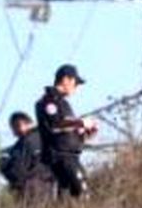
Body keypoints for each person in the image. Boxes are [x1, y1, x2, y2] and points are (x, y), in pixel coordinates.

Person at [35, 64, 98, 198]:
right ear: (66, 80)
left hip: (71, 156)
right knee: (81, 193)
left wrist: (84, 134)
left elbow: (66, 132)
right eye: (75, 83)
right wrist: (80, 122)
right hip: (60, 157)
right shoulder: (49, 100)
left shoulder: (63, 103)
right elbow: (56, 122)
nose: (76, 88)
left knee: (72, 196)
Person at [0, 111, 54, 201]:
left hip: (31, 190)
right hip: (48, 186)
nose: (13, 131)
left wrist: (3, 164)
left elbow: (17, 171)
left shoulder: (25, 142)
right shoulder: (44, 137)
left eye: (14, 127)